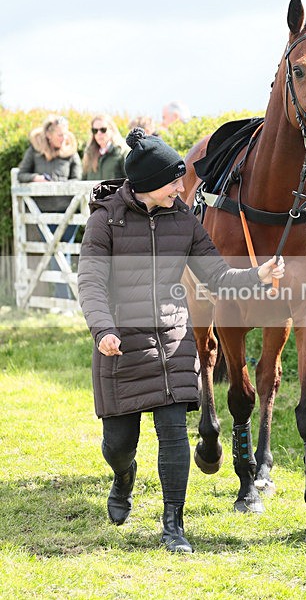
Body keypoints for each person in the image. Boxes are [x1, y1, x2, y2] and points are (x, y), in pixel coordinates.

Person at [78, 127, 284, 553]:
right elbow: (91, 283)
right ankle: (123, 476)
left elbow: (217, 276)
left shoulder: (185, 220)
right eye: (173, 181)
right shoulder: (105, 220)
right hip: (121, 346)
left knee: (174, 436)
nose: (180, 188)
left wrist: (257, 276)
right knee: (119, 446)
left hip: (173, 343)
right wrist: (103, 330)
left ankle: (173, 526)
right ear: (149, 183)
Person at [17, 114, 82, 299]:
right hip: (43, 213)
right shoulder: (35, 151)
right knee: (56, 255)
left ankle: (67, 300)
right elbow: (21, 174)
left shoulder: (71, 152)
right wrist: (36, 178)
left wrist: (61, 184)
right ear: (48, 135)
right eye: (59, 134)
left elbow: (77, 179)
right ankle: (65, 300)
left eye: (65, 133)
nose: (64, 138)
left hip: (68, 212)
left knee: (62, 252)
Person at [82, 114, 129, 181]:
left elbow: (130, 181)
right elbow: (83, 182)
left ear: (111, 130)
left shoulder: (122, 152)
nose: (99, 133)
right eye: (95, 130)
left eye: (103, 130)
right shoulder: (89, 154)